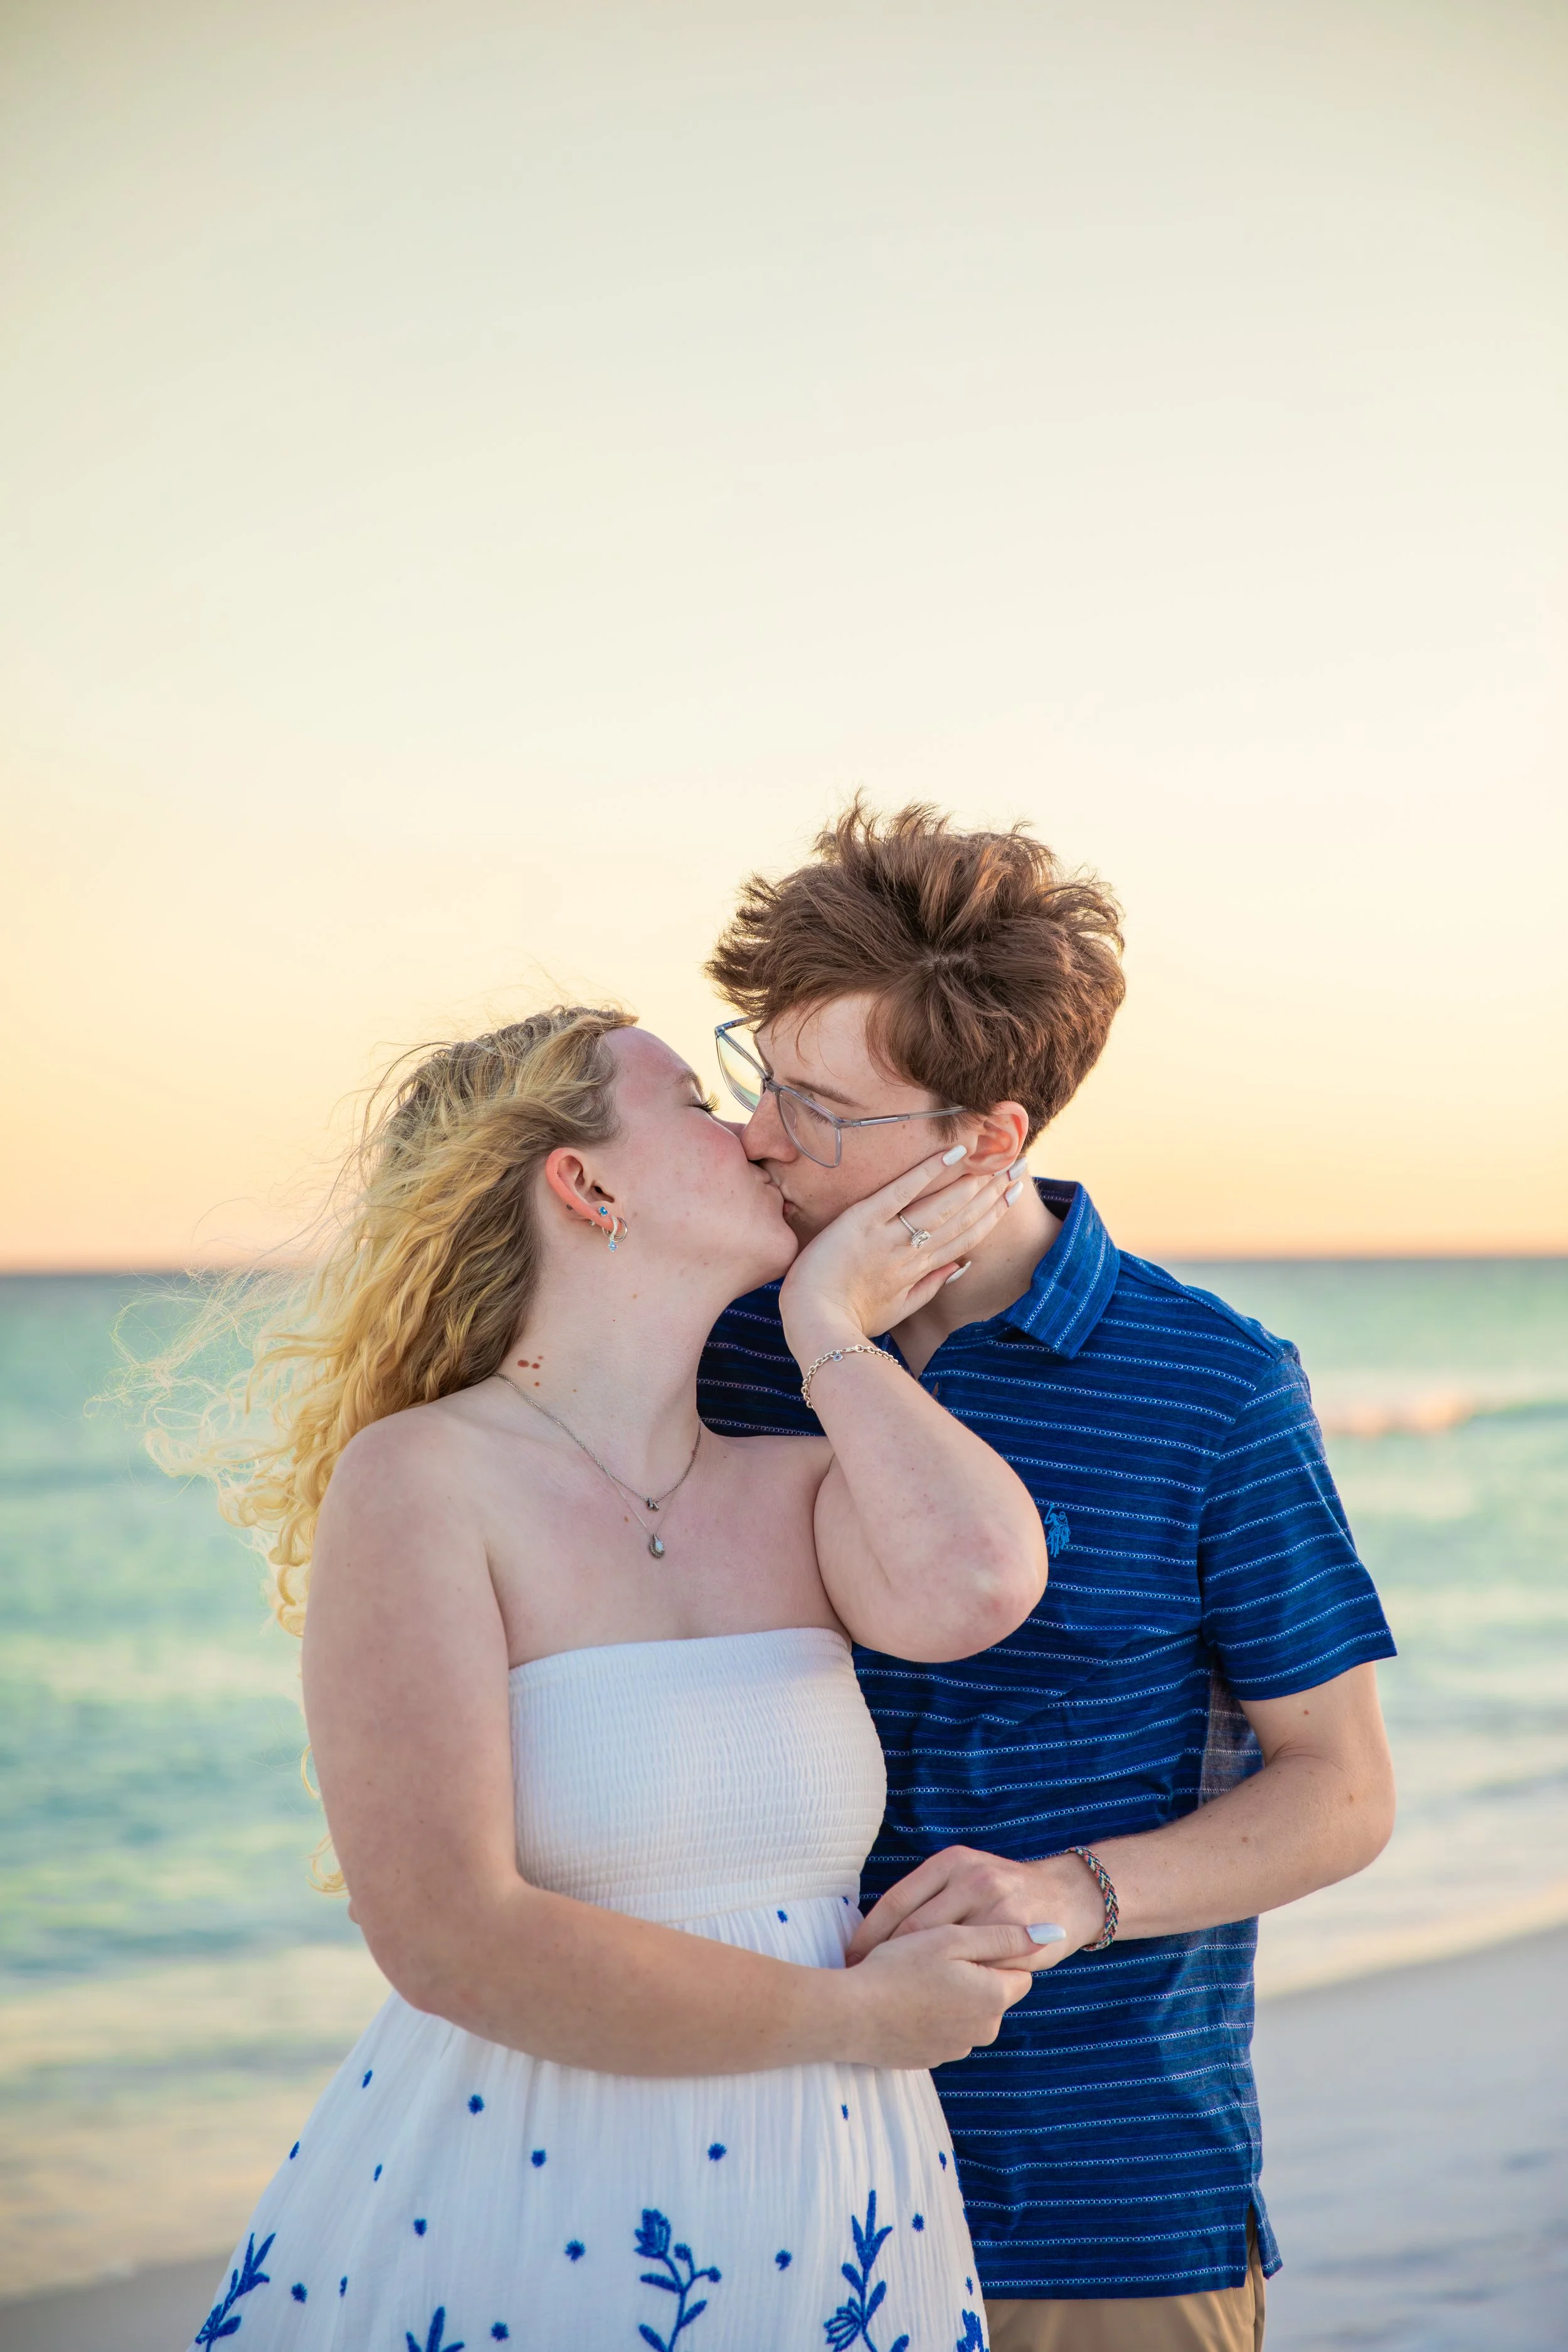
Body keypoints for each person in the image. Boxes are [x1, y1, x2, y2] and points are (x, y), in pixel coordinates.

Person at [170, 1004, 1062, 2352]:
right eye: (699, 1106)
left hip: (827, 2194)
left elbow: (981, 1585)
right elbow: (444, 1935)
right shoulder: (420, 1483)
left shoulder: (798, 1482)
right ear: (584, 1185)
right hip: (533, 2187)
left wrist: (829, 1327)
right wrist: (861, 2014)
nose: (758, 1133)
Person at [698, 802, 1399, 2352]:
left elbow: (1340, 1788)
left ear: (985, 1138)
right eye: (758, 1073)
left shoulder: (1209, 1384)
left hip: (1097, 2210)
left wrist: (1073, 1897)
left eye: (818, 1106)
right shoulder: (724, 1348)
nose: (759, 1135)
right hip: (744, 2178)